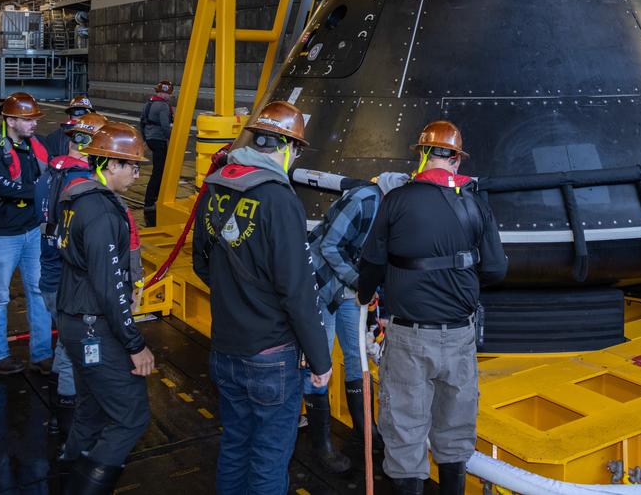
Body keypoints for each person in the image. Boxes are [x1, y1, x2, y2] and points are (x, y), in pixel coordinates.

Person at [357, 121, 508, 495]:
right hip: (459, 334)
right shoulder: (475, 203)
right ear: (455, 161)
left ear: (422, 156)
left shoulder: (395, 201)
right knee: (455, 430)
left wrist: (365, 295)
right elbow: (495, 269)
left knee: (405, 431)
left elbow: (372, 263)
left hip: (408, 336)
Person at [192, 101, 332, 495]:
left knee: (235, 446)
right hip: (271, 355)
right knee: (270, 458)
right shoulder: (279, 200)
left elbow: (202, 263)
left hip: (225, 348)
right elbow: (298, 289)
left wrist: (237, 298)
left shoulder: (215, 185)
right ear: (287, 147)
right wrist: (319, 359)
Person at [56, 121, 155, 494]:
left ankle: (69, 479)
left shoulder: (74, 197)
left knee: (91, 411)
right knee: (131, 417)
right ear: (110, 165)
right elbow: (110, 287)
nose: (135, 174)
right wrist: (135, 344)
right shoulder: (100, 212)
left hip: (73, 320)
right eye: (132, 166)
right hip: (94, 326)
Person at [301, 179, 390, 472]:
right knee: (320, 361)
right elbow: (328, 245)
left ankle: (364, 430)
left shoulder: (395, 207)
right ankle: (322, 446)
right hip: (322, 283)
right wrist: (358, 282)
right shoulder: (365, 201)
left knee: (357, 357)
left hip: (352, 284)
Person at [0, 92, 54, 376]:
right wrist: (41, 191)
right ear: (9, 120)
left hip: (32, 231)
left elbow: (48, 176)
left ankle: (42, 354)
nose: (33, 124)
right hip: (0, 234)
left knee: (39, 291)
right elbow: (3, 188)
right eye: (27, 119)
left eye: (35, 118)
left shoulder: (37, 146)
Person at [42, 112, 110, 416]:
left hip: (48, 273)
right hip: (69, 282)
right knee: (76, 347)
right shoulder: (82, 185)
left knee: (63, 340)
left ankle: (57, 381)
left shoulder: (50, 174)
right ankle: (68, 405)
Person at [139, 80, 175, 227]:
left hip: (150, 138)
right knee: (159, 171)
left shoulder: (149, 103)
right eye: (165, 93)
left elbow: (142, 122)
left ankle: (153, 198)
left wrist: (146, 139)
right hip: (159, 139)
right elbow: (166, 126)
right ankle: (151, 200)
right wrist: (172, 140)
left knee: (158, 169)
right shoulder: (163, 106)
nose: (166, 96)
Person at [45, 94, 96, 159]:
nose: (81, 116)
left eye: (83, 113)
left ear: (69, 116)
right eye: (77, 112)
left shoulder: (52, 137)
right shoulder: (98, 136)